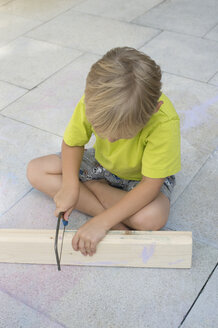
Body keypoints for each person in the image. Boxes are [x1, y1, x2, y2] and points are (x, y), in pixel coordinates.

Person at [26, 47, 181, 258]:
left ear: (154, 110)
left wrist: (100, 223)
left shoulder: (164, 122)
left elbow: (150, 186)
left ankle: (93, 189)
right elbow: (73, 144)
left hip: (141, 181)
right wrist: (71, 186)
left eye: (121, 136)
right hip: (100, 164)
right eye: (101, 130)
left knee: (151, 219)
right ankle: (111, 216)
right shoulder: (95, 101)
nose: (109, 140)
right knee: (36, 170)